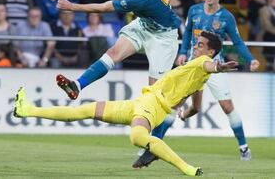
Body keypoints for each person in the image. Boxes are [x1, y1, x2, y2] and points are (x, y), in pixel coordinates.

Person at [13, 31, 239, 177]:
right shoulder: (198, 75)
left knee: (136, 137)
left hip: (153, 106)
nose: (195, 47)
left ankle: (187, 168)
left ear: (210, 51)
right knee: (83, 111)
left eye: (200, 45)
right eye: (197, 44)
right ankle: (28, 109)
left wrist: (219, 67)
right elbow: (196, 107)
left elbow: (210, 66)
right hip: (142, 102)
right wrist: (184, 114)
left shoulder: (204, 62)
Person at [134, 0, 260, 168]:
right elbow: (186, 36)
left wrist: (250, 60)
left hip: (215, 66)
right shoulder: (194, 11)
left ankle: (243, 147)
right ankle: (150, 145)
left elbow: (237, 42)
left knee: (227, 107)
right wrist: (183, 52)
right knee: (172, 104)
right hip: (193, 66)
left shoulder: (226, 17)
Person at [56, 0, 180, 100]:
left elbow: (104, 7)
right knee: (113, 53)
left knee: (153, 93)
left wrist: (72, 7)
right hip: (144, 24)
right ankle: (77, 85)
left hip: (164, 38)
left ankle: (167, 118)